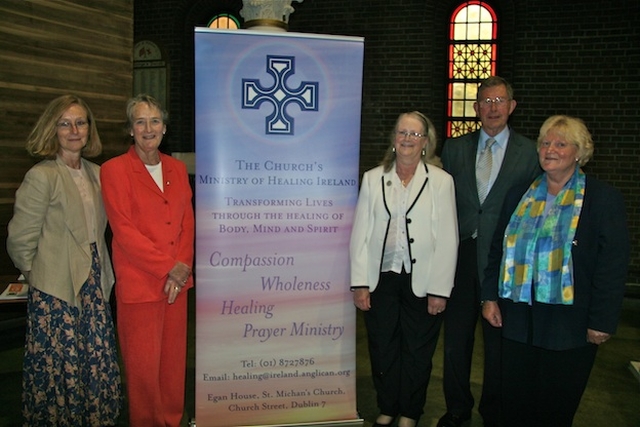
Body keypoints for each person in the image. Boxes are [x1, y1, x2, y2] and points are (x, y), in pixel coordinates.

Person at [481, 115, 629, 427]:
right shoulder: (518, 195)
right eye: (545, 143)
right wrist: (489, 297)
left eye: (560, 144)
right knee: (514, 405)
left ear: (580, 152)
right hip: (518, 319)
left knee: (554, 409)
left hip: (570, 326)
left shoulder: (602, 200)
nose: (550, 149)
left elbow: (612, 266)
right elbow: (498, 248)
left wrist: (601, 321)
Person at [7, 94, 121, 425]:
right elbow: (20, 239)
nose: (74, 130)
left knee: (93, 358)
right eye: (65, 123)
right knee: (60, 364)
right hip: (56, 288)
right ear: (52, 129)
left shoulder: (98, 173)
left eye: (80, 122)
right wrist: (38, 274)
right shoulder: (42, 176)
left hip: (94, 279)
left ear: (89, 129)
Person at [438, 76, 541, 427]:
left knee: (498, 342)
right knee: (456, 341)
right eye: (486, 101)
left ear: (512, 107)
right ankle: (456, 409)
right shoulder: (454, 148)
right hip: (461, 255)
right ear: (476, 108)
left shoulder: (531, 153)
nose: (493, 107)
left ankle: (494, 411)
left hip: (505, 259)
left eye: (500, 101)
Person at [350, 111, 458, 427]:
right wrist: (360, 282)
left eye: (415, 134)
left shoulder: (441, 182)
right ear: (394, 139)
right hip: (380, 278)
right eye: (402, 133)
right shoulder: (372, 178)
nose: (408, 139)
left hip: (423, 281)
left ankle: (410, 411)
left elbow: (448, 239)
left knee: (417, 351)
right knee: (383, 347)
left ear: (426, 142)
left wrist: (440, 290)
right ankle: (387, 406)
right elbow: (361, 233)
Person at [100, 94, 194, 426]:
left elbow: (187, 223)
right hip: (141, 285)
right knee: (142, 371)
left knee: (171, 366)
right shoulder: (113, 170)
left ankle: (171, 420)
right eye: (140, 121)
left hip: (176, 285)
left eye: (154, 121)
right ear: (130, 130)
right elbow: (124, 231)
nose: (148, 128)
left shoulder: (178, 169)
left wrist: (181, 269)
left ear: (164, 128)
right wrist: (170, 267)